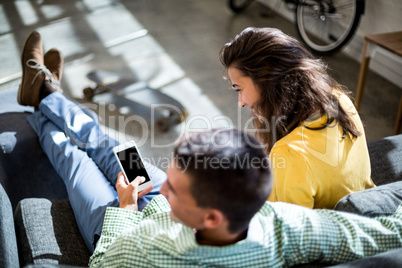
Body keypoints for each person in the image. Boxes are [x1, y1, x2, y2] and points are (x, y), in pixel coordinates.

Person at [18, 31, 402, 268]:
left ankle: (39, 101)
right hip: (155, 203)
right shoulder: (284, 225)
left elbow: (105, 261)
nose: (162, 185)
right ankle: (47, 92)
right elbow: (380, 230)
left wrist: (127, 209)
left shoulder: (154, 252)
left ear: (214, 218)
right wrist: (168, 192)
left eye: (174, 189)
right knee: (117, 146)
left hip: (123, 217)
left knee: (76, 161)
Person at [219, 27, 375, 209]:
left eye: (239, 89)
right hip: (365, 209)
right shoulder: (339, 98)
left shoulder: (290, 154)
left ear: (267, 82)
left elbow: (289, 232)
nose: (240, 103)